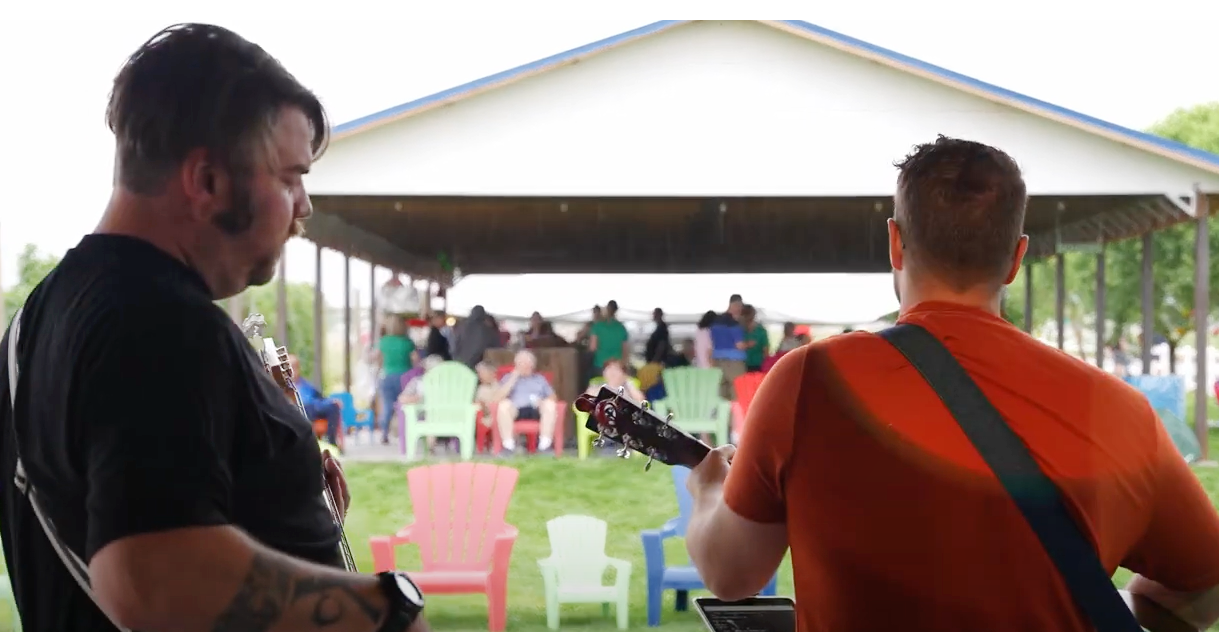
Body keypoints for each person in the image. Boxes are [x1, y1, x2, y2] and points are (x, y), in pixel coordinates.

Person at [682, 136, 1219, 631]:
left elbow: (732, 576)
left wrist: (708, 489)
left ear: (895, 244)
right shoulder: (1122, 411)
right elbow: (1206, 585)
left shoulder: (808, 380)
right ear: (1015, 259)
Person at [0, 23, 428, 632]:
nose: (303, 205)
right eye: (288, 177)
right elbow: (152, 575)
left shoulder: (44, 316)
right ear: (206, 181)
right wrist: (386, 612)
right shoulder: (158, 323)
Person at [494, 350, 559, 453]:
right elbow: (498, 398)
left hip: (536, 409)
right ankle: (508, 446)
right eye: (522, 363)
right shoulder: (508, 378)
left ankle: (545, 446)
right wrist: (513, 378)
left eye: (529, 363)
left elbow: (553, 398)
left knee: (550, 405)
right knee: (503, 405)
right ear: (516, 365)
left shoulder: (540, 379)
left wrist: (542, 401)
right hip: (516, 410)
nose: (526, 366)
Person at [377, 316, 418, 445]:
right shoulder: (408, 342)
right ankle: (406, 433)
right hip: (405, 378)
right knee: (406, 406)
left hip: (387, 376)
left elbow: (378, 358)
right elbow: (415, 359)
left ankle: (384, 433)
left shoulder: (384, 342)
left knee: (388, 406)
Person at [291, 354, 342, 448]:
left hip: (316, 406)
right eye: (291, 367)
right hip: (303, 409)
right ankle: (309, 444)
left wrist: (332, 401)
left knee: (333, 406)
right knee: (306, 409)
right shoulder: (286, 386)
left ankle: (331, 441)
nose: (294, 371)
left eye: (295, 367)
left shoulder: (304, 383)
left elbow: (320, 397)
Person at [709, 295, 747, 398]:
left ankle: (722, 414)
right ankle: (735, 414)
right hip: (734, 362)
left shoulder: (715, 322)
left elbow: (712, 342)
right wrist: (749, 344)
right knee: (737, 392)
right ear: (736, 305)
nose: (740, 310)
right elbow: (739, 345)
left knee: (721, 393)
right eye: (740, 307)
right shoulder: (734, 324)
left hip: (718, 360)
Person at [453, 305, 499, 369]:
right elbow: (494, 345)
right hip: (477, 363)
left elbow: (455, 343)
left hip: (460, 362)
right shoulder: (486, 330)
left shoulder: (462, 326)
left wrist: (455, 357)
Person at [590, 300, 631, 370]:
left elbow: (592, 347)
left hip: (601, 364)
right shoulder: (622, 328)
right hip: (617, 365)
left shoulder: (597, 326)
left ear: (606, 309)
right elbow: (625, 350)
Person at [740, 304, 769, 373]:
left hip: (757, 365)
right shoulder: (739, 330)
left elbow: (766, 350)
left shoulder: (761, 331)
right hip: (742, 364)